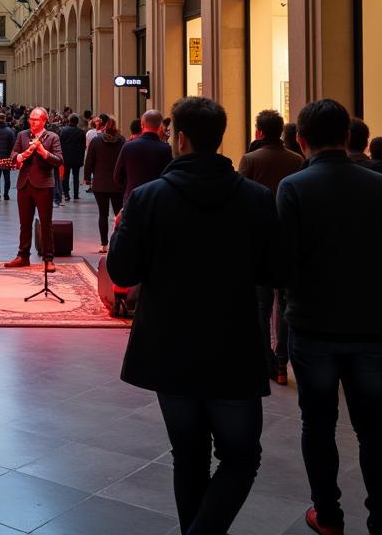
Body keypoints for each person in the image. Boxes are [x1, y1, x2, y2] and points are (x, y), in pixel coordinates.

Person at [108, 96, 286, 535]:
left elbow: (121, 270)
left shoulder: (148, 198)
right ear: (219, 138)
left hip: (170, 344)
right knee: (242, 455)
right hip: (233, 343)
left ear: (180, 138)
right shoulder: (256, 198)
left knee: (188, 453)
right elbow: (276, 270)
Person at [277, 98, 382, 535]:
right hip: (372, 322)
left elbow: (283, 263)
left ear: (301, 140)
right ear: (353, 137)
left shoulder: (294, 187)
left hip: (313, 322)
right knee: (374, 426)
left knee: (318, 424)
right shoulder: (379, 187)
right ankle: (381, 517)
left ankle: (329, 514)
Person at [237, 109, 303, 387]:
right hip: (288, 241)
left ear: (259, 132)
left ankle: (265, 362)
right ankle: (281, 362)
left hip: (259, 242)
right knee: (286, 305)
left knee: (262, 307)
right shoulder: (297, 160)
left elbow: (240, 199)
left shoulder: (250, 160)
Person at [5, 107, 63, 271]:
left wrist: (43, 152)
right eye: (31, 119)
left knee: (46, 223)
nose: (32, 122)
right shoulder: (22, 135)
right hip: (24, 184)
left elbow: (58, 160)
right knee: (24, 223)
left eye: (36, 119)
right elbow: (12, 156)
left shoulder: (52, 137)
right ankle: (23, 256)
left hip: (44, 185)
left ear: (44, 120)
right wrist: (22, 155)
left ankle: (48, 258)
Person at [113, 109, 173, 207]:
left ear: (142, 125)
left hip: (132, 198)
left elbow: (117, 177)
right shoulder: (166, 149)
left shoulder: (128, 146)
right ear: (161, 127)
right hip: (157, 200)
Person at [83, 115, 124, 253]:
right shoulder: (122, 141)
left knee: (103, 214)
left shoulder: (96, 141)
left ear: (104, 126)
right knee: (119, 213)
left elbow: (89, 160)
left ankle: (104, 244)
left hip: (100, 183)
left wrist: (87, 177)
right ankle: (118, 242)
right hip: (117, 183)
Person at [58, 114, 86, 201]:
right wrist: (81, 159)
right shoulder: (81, 132)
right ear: (77, 122)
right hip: (76, 158)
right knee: (76, 176)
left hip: (66, 157)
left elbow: (60, 144)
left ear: (69, 121)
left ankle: (66, 194)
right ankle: (76, 194)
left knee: (65, 176)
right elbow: (83, 147)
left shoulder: (63, 131)